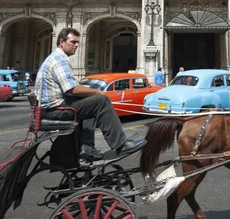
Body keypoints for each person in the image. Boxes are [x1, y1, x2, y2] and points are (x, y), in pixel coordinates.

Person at [34, 28, 146, 163]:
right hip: (56, 110)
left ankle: (87, 148)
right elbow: (72, 89)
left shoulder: (53, 58)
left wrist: (89, 94)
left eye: (77, 42)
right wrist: (98, 92)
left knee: (91, 102)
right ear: (62, 42)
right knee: (101, 100)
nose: (76, 45)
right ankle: (120, 144)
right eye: (73, 42)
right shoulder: (59, 60)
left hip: (52, 109)